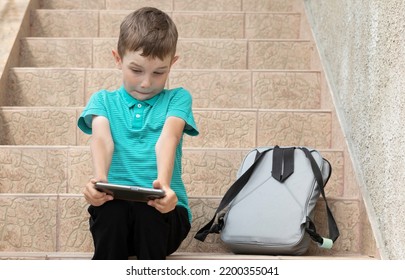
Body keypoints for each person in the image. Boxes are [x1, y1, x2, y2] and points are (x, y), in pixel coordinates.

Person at [77, 7, 199, 260]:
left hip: (165, 214)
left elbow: (169, 138)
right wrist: (99, 181)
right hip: (117, 218)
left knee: (149, 209)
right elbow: (102, 138)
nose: (146, 82)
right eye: (136, 70)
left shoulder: (178, 97)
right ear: (118, 58)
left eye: (159, 72)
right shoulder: (103, 101)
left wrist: (164, 186)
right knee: (112, 211)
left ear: (172, 64)